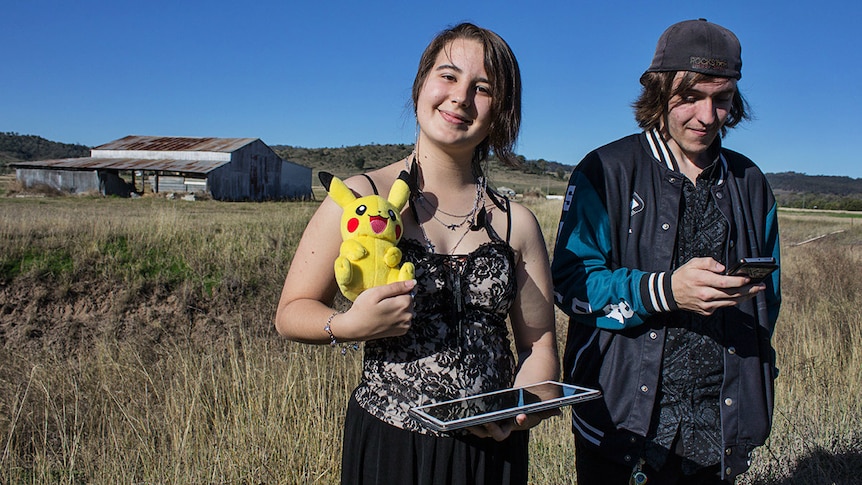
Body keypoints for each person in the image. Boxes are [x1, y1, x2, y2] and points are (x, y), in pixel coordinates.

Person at [275, 22, 559, 485]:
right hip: (391, 447)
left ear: (501, 111)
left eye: (482, 88)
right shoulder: (358, 197)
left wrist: (527, 404)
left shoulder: (516, 223)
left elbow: (539, 346)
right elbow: (291, 312)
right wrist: (347, 326)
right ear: (421, 83)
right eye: (448, 76)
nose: (461, 97)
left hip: (491, 454)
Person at [551, 19, 781, 484]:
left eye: (722, 99)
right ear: (659, 92)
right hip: (622, 425)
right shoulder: (606, 170)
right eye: (691, 97)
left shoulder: (749, 181)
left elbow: (767, 299)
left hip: (720, 426)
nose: (707, 115)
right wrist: (664, 291)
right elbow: (570, 282)